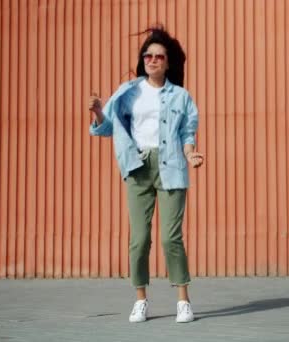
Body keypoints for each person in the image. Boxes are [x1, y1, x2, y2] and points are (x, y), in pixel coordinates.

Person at [88, 26, 204, 323]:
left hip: (171, 167)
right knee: (139, 239)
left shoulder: (180, 96)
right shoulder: (128, 92)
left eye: (159, 56)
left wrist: (190, 154)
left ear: (168, 62)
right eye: (148, 55)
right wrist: (99, 112)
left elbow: (187, 132)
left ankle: (183, 301)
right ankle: (140, 300)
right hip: (138, 167)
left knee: (170, 238)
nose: (153, 60)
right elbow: (106, 127)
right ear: (143, 60)